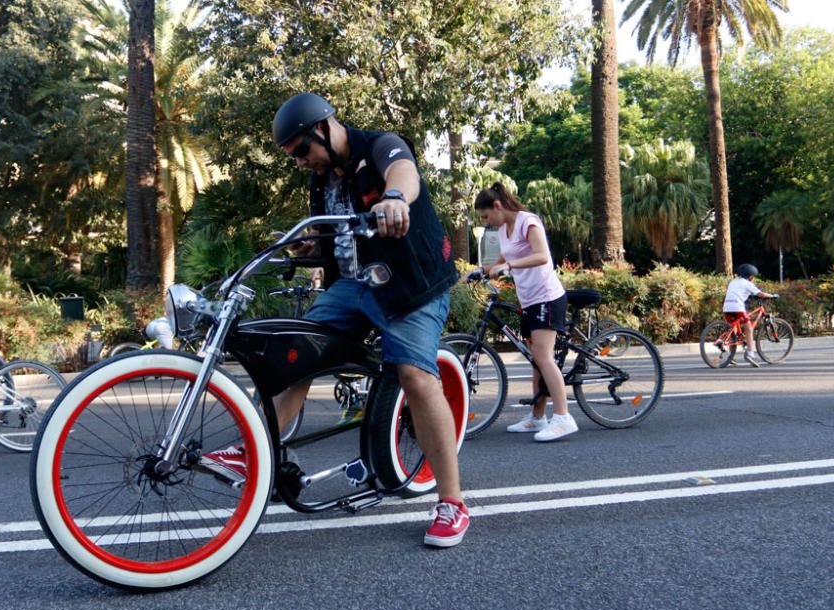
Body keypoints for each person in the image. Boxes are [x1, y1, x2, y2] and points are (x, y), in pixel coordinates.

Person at [201, 92, 470, 547]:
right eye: (294, 157)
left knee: (415, 376)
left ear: (324, 128)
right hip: (353, 287)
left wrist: (394, 199)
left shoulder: (380, 146)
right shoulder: (322, 180)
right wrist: (311, 249)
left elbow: (403, 173)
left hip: (410, 285)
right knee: (294, 350)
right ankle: (251, 450)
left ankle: (452, 502)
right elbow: (335, 240)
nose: (302, 161)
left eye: (303, 150)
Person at [467, 183, 578, 442]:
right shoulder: (505, 229)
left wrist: (510, 267)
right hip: (529, 300)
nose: (486, 222)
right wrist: (480, 271)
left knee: (543, 357)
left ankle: (563, 418)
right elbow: (503, 260)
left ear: (497, 206)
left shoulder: (528, 222)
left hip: (547, 297)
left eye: (486, 216)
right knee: (535, 360)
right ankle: (538, 417)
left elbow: (542, 256)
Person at [722, 264, 778, 367]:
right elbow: (760, 294)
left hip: (726, 307)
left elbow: (738, 292)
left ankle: (731, 356)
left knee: (733, 329)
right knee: (748, 328)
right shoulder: (747, 284)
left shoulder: (733, 282)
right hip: (737, 308)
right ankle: (750, 354)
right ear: (750, 276)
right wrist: (772, 296)